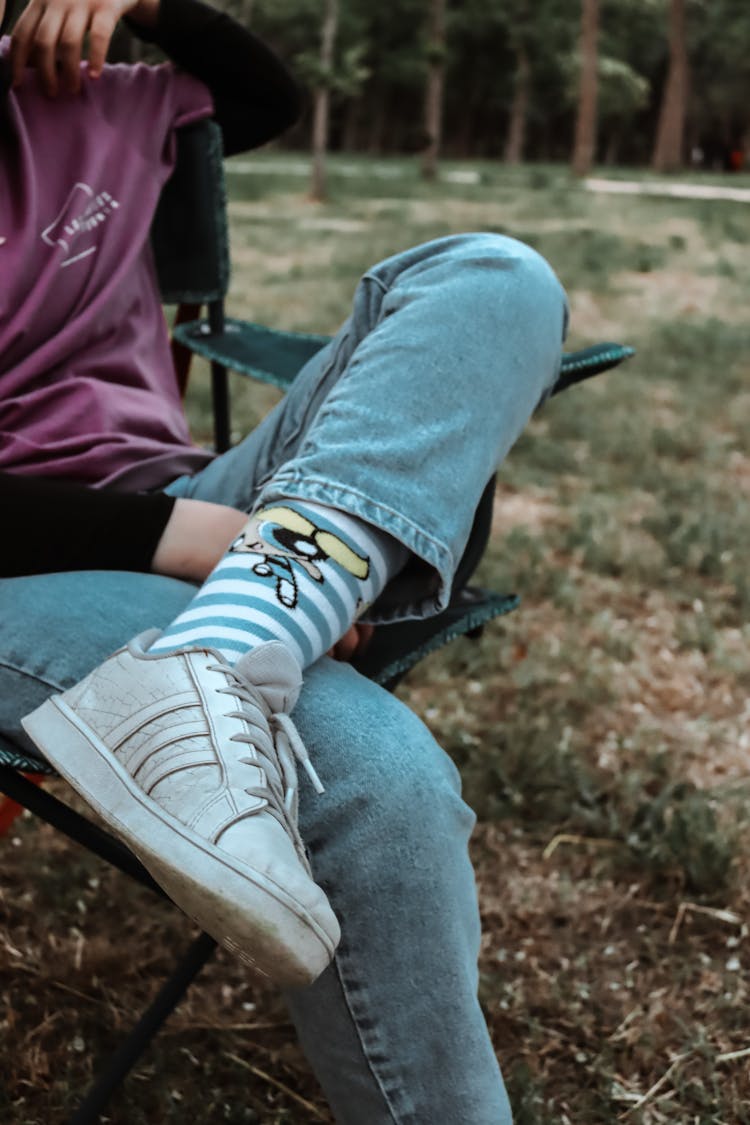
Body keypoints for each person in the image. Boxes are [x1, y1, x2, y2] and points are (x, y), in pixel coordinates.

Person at [0, 0, 569, 1118]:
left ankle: (238, 637)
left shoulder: (83, 99)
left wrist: (148, 5)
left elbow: (264, 98)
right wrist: (172, 541)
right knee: (378, 787)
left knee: (494, 275)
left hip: (190, 502)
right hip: (40, 564)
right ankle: (260, 621)